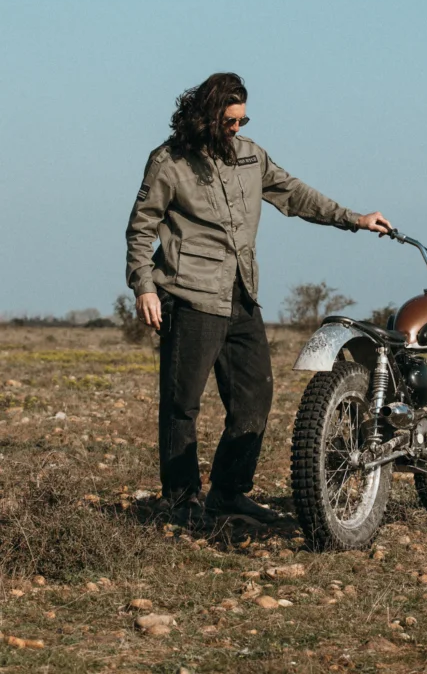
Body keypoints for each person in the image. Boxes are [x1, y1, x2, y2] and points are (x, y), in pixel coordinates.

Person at [126, 72, 391, 525]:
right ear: (206, 116)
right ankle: (181, 502)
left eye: (242, 120)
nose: (236, 128)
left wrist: (354, 218)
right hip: (189, 295)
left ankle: (228, 493)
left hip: (241, 294)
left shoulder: (251, 155)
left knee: (255, 399)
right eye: (229, 121)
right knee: (181, 404)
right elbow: (140, 228)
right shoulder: (169, 162)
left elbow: (294, 194)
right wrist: (144, 286)